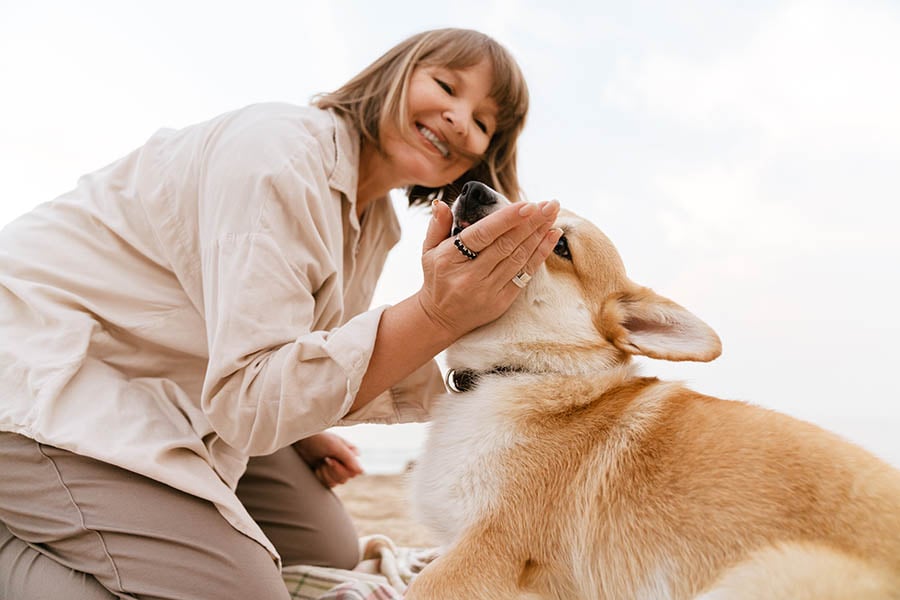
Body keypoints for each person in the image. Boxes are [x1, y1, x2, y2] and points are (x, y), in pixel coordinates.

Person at [0, 28, 561, 599]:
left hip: (187, 392)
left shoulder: (378, 225)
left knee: (327, 550)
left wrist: (305, 433)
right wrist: (436, 315)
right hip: (51, 366)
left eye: (484, 123)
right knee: (240, 592)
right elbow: (251, 391)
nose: (459, 119)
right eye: (446, 85)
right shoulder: (280, 155)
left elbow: (279, 340)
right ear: (393, 73)